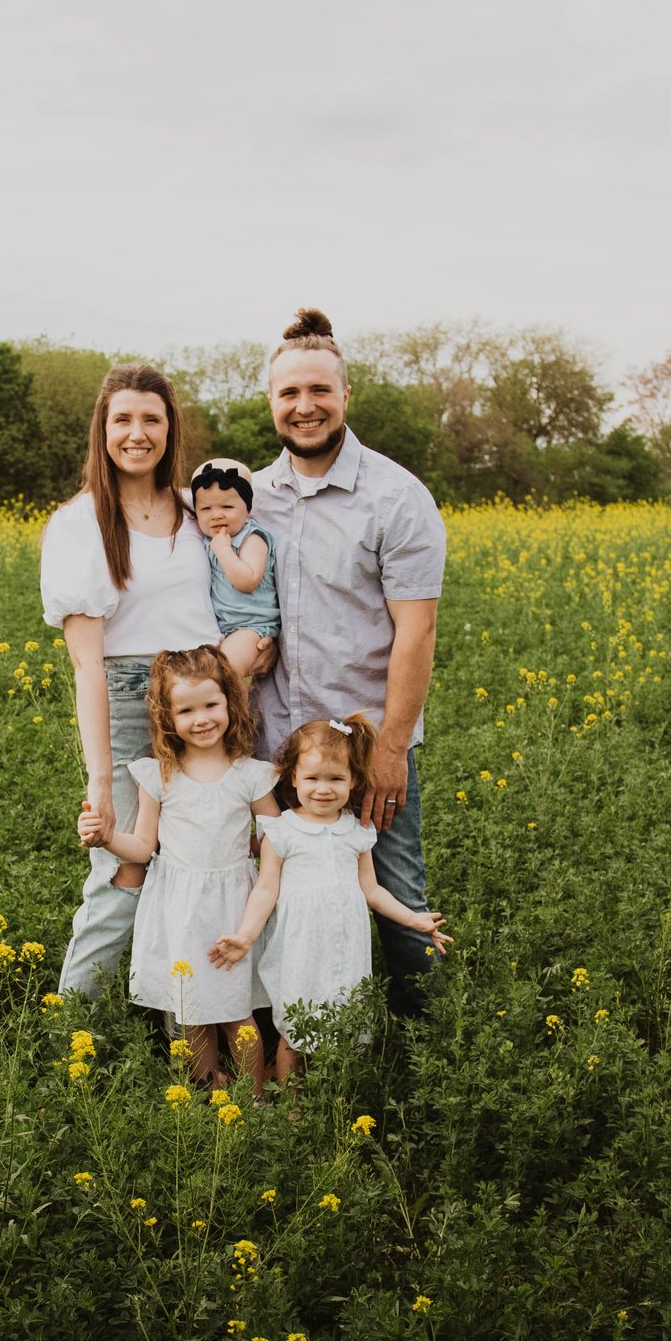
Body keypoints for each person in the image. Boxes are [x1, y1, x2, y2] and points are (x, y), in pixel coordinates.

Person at [247, 308, 448, 1019]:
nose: (304, 407)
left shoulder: (397, 497)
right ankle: (282, 1047)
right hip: (273, 748)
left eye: (319, 391)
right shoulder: (250, 498)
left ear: (346, 394)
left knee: (398, 902)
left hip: (367, 748)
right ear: (271, 402)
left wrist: (391, 748)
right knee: (268, 895)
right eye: (288, 393)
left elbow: (416, 634)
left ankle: (428, 1058)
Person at [42, 364, 222, 999]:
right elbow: (88, 664)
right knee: (125, 870)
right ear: (103, 427)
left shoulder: (195, 511)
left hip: (207, 704)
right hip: (127, 699)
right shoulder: (80, 522)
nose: (137, 433)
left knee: (209, 864)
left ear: (171, 430)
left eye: (152, 419)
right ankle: (72, 1031)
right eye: (123, 419)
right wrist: (101, 786)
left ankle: (189, 1017)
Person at [78, 646, 282, 1085]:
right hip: (178, 908)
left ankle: (255, 1096)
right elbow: (143, 847)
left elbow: (275, 841)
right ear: (168, 717)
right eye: (186, 710)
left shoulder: (251, 775)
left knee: (235, 1011)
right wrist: (106, 836)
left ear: (230, 700)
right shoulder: (160, 775)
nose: (202, 718)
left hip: (233, 906)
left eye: (211, 704)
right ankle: (212, 1090)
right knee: (190, 1012)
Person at [213, 713, 450, 1079]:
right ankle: (291, 1106)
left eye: (335, 779)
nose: (322, 789)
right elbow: (266, 889)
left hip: (344, 942)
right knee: (296, 1027)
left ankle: (337, 1095)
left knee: (344, 1016)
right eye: (311, 778)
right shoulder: (282, 831)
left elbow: (371, 889)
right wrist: (246, 936)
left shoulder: (356, 832)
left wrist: (412, 918)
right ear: (293, 778)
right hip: (301, 944)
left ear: (354, 781)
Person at [188, 457, 279, 680]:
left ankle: (235, 715)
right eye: (206, 508)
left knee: (223, 675)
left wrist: (224, 551)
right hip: (223, 628)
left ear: (247, 508)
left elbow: (248, 580)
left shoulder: (252, 538)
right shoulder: (209, 539)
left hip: (251, 627)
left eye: (227, 507)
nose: (216, 514)